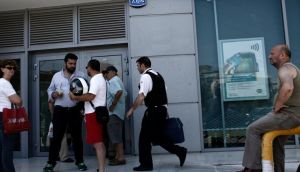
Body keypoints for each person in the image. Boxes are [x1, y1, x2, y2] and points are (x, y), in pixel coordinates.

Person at [237, 45, 300, 172]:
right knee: (276, 142)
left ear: (282, 55)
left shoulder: (285, 68)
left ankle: (252, 168)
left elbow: (288, 88)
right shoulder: (292, 69)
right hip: (294, 114)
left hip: (290, 113)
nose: (269, 56)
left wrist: (277, 107)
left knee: (253, 129)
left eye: (272, 53)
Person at [126, 56, 187, 171]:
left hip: (153, 111)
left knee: (144, 138)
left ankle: (146, 165)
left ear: (143, 65)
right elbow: (164, 94)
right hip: (161, 110)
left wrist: (131, 109)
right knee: (157, 137)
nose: (137, 68)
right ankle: (180, 151)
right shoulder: (158, 75)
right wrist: (165, 109)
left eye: (138, 65)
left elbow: (141, 96)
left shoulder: (145, 76)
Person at [43, 53, 87, 172]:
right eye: (70, 63)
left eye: (74, 63)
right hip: (60, 110)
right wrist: (53, 94)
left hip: (75, 110)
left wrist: (81, 104)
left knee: (77, 137)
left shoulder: (81, 75)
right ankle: (50, 163)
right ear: (65, 63)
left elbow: (86, 90)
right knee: (56, 137)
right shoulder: (57, 76)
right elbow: (50, 89)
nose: (72, 65)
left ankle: (80, 161)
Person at [69, 59, 107, 172]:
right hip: (98, 113)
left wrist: (75, 97)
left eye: (87, 68)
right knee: (99, 142)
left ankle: (101, 170)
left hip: (93, 114)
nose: (87, 70)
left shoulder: (95, 79)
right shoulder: (101, 78)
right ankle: (102, 168)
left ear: (90, 67)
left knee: (98, 144)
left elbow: (91, 97)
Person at [0, 59, 22, 172]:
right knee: (7, 149)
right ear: (2, 69)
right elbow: (17, 101)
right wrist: (18, 97)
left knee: (3, 148)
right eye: (9, 68)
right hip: (5, 116)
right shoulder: (4, 83)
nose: (12, 70)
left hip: (2, 115)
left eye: (14, 68)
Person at [105, 65, 127, 166]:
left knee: (116, 137)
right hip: (119, 113)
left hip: (114, 113)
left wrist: (113, 105)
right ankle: (118, 157)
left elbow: (119, 92)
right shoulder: (119, 80)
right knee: (117, 135)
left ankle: (120, 158)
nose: (106, 75)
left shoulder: (113, 80)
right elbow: (124, 94)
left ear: (113, 72)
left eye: (107, 72)